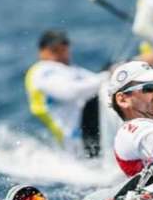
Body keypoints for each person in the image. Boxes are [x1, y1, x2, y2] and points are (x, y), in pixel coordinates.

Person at [24, 29, 109, 158]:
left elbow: (100, 82)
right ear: (42, 51)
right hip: (77, 139)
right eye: (54, 50)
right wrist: (108, 75)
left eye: (63, 49)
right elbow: (70, 92)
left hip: (93, 128)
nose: (60, 54)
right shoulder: (41, 71)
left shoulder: (72, 69)